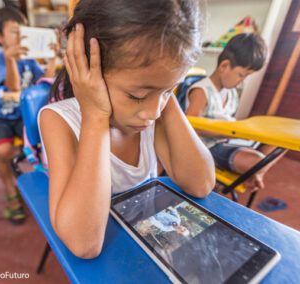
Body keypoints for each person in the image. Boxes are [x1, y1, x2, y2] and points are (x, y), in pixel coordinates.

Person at [38, 0, 215, 258]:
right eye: (137, 95)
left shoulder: (157, 109)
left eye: (170, 90)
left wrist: (164, 87)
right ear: (87, 68)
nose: (153, 113)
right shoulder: (58, 120)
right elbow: (83, 244)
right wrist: (96, 115)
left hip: (148, 243)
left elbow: (201, 184)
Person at [0, 7, 57, 224]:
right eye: (15, 31)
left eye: (23, 31)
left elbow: (44, 82)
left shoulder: (28, 60)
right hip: (1, 115)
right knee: (2, 151)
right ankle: (11, 194)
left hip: (22, 115)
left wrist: (52, 58)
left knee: (51, 141)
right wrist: (10, 61)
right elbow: (12, 87)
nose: (21, 36)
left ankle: (36, 168)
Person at [186, 33, 283, 192]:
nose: (241, 81)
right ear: (224, 66)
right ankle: (255, 173)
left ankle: (254, 172)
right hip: (210, 147)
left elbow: (229, 120)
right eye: (241, 75)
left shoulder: (231, 93)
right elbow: (192, 126)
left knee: (278, 145)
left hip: (228, 142)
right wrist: (232, 133)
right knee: (259, 161)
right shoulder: (202, 91)